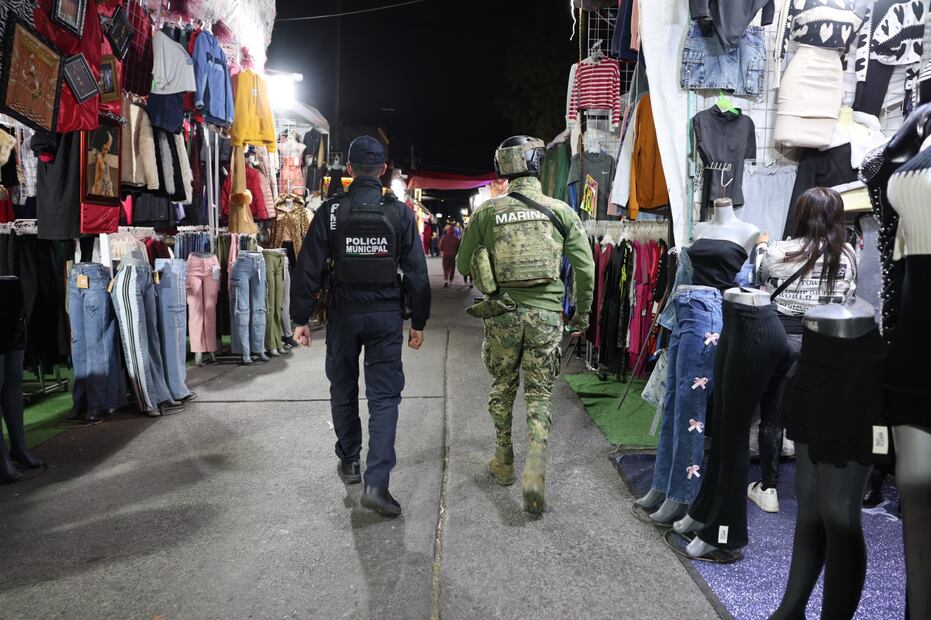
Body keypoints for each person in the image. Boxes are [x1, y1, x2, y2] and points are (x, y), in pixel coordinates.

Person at [290, 136, 431, 518]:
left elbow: (309, 266)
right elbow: (417, 273)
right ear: (383, 169)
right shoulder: (399, 212)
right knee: (384, 397)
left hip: (343, 314)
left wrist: (300, 317)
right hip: (385, 316)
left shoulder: (332, 211)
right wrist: (418, 321)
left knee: (343, 385)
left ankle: (350, 460)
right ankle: (377, 483)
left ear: (349, 170)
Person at [457, 136, 595, 515]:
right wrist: (580, 315)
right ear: (535, 164)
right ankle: (534, 473)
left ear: (504, 167)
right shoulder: (561, 211)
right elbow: (585, 268)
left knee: (502, 386)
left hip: (502, 315)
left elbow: (462, 262)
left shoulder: (487, 213)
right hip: (547, 317)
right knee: (539, 394)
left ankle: (503, 461)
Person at [748, 187, 857, 513]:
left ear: (801, 215)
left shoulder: (779, 251)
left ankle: (768, 489)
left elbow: (760, 278)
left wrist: (761, 246)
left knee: (773, 413)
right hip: (827, 344)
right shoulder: (848, 255)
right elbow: (849, 298)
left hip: (782, 340)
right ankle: (825, 489)